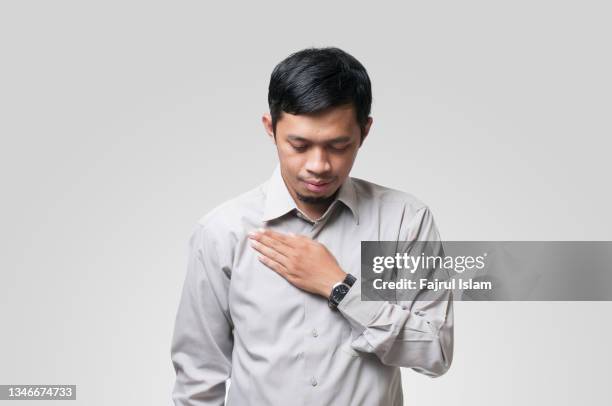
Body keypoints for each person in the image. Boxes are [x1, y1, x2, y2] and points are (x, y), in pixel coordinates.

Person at [170, 46, 454, 406]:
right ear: (270, 129)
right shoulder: (222, 232)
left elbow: (436, 353)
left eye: (338, 145)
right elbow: (198, 378)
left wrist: (341, 289)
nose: (319, 165)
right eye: (299, 145)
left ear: (364, 132)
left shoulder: (405, 221)